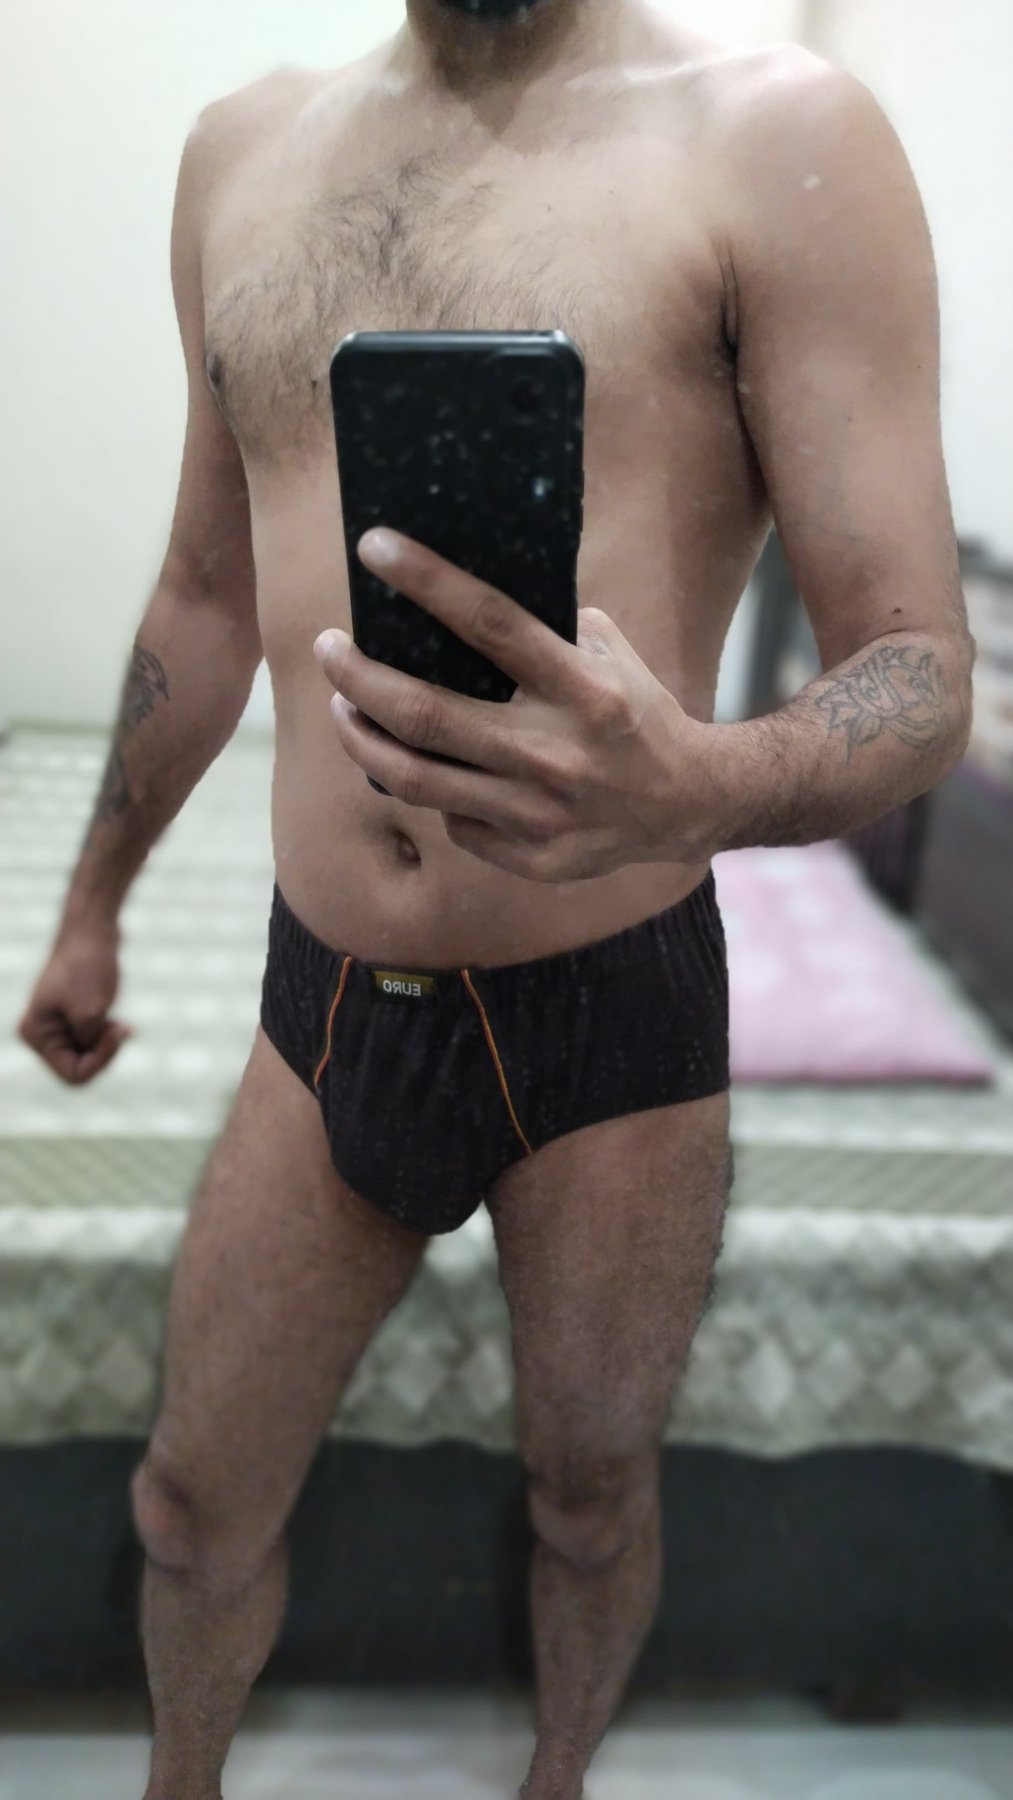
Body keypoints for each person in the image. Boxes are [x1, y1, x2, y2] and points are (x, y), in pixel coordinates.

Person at [18, 1, 974, 1796]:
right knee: (187, 1504)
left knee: (591, 1501)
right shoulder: (240, 154)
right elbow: (205, 599)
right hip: (328, 990)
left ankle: (556, 1780)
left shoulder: (780, 137)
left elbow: (919, 672)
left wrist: (700, 784)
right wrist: (92, 909)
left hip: (613, 997)